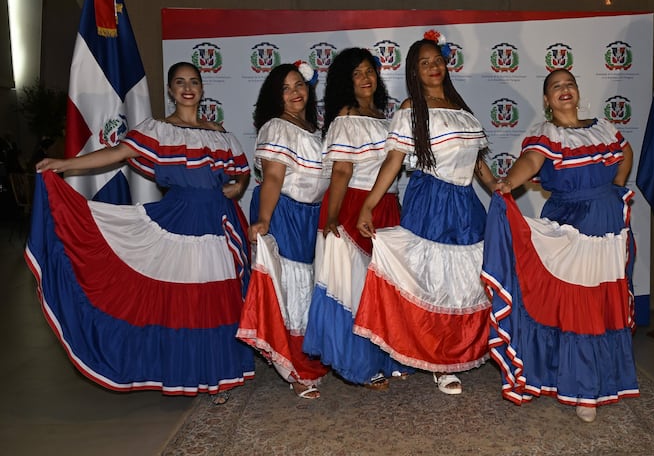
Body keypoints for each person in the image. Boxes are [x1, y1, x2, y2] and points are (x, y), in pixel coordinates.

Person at [28, 61, 255, 404]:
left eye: (194, 81)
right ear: (170, 89)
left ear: (202, 88)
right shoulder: (158, 129)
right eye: (179, 82)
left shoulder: (219, 132)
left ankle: (217, 376)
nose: (187, 87)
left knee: (216, 301)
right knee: (188, 303)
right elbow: (118, 153)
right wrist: (64, 164)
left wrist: (237, 188)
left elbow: (242, 172)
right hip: (179, 224)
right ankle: (189, 374)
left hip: (219, 225)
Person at [485, 68, 638, 422]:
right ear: (547, 100)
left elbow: (625, 152)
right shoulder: (546, 133)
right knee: (580, 305)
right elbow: (531, 161)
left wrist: (614, 186)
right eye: (556, 87)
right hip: (573, 225)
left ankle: (604, 378)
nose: (564, 89)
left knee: (603, 302)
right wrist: (509, 182)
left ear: (578, 90)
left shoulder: (602, 127)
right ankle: (584, 389)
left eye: (569, 83)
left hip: (608, 225)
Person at [354, 33, 498, 396]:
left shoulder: (461, 107)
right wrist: (369, 205)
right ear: (414, 73)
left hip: (466, 203)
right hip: (431, 199)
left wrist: (498, 189)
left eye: (438, 60)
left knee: (466, 281)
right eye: (425, 63)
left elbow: (477, 163)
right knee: (434, 281)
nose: (434, 67)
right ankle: (439, 363)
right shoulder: (410, 109)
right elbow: (393, 162)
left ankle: (458, 352)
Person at [303, 48, 411, 390]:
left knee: (381, 290)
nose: (366, 78)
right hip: (351, 207)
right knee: (353, 289)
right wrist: (333, 216)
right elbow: (341, 171)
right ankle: (359, 365)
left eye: (370, 71)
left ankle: (387, 358)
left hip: (387, 208)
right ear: (345, 82)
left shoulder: (385, 117)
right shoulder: (346, 116)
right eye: (357, 73)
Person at [236, 62, 330, 399]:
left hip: (311, 216)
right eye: (286, 88)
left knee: (307, 288)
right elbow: (273, 178)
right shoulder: (276, 127)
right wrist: (263, 219)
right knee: (289, 289)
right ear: (275, 98)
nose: (295, 92)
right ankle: (294, 369)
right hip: (284, 212)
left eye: (299, 85)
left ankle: (306, 358)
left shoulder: (312, 129)